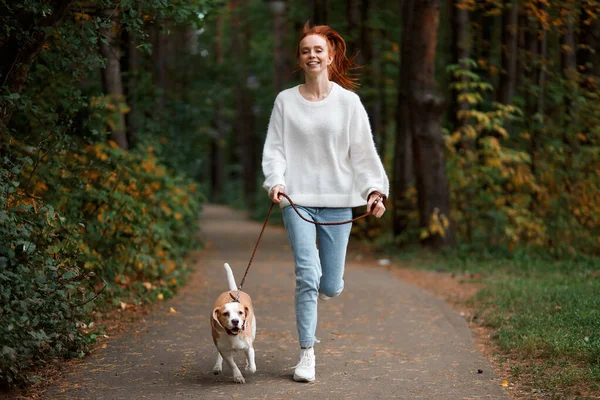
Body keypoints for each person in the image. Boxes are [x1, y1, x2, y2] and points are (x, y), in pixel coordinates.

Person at [261, 22, 389, 383]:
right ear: (300, 59)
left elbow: (362, 154)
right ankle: (306, 355)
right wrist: (277, 182)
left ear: (331, 56)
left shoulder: (348, 103)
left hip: (338, 202)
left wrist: (374, 191)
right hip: (296, 199)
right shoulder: (285, 101)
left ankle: (321, 288)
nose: (312, 55)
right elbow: (275, 150)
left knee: (329, 284)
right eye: (305, 51)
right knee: (306, 273)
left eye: (318, 50)